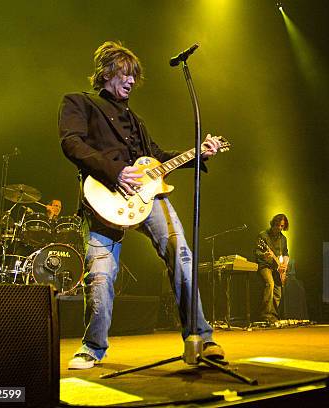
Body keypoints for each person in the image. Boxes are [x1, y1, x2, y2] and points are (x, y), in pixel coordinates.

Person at [59, 40, 224, 369]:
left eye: (135, 76)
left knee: (182, 255)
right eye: (126, 73)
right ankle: (92, 347)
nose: (132, 81)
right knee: (101, 276)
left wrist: (197, 153)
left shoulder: (137, 121)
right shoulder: (80, 103)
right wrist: (115, 171)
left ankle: (201, 338)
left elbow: (159, 159)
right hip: (103, 198)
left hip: (149, 199)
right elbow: (71, 143)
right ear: (106, 72)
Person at [254, 214, 290, 324]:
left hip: (277, 268)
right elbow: (256, 252)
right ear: (273, 224)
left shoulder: (283, 239)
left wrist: (285, 264)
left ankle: (273, 317)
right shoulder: (263, 235)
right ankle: (265, 315)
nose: (279, 228)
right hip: (265, 265)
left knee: (278, 292)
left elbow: (285, 253)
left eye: (282, 226)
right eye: (277, 225)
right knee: (270, 284)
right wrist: (264, 255)